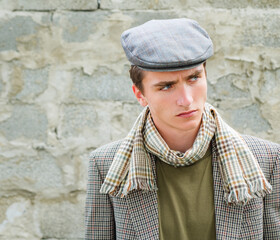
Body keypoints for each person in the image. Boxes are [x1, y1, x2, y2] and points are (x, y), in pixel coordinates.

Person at [85, 18, 280, 239]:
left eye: (194, 78)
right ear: (140, 94)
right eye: (167, 86)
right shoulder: (106, 165)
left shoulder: (266, 160)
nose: (186, 99)